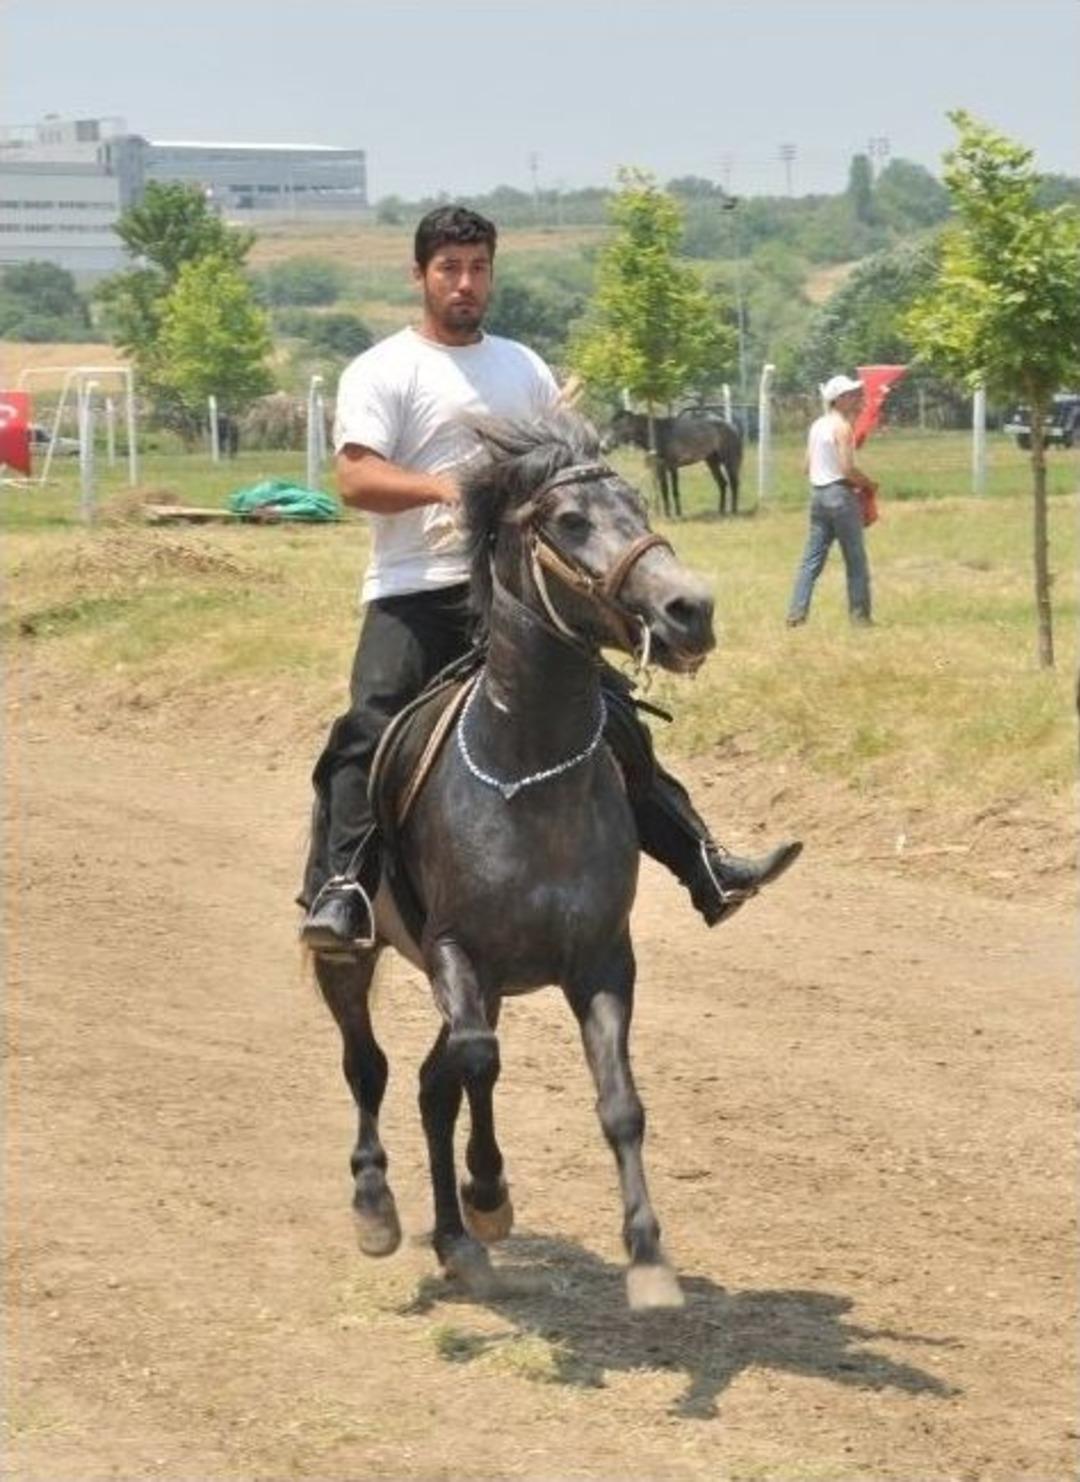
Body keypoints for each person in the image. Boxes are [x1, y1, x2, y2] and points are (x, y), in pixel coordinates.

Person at [300, 205, 801, 954]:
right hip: (416, 589)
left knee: (613, 712)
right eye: (449, 270)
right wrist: (445, 489)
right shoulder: (382, 369)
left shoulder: (521, 366)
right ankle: (341, 891)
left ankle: (702, 863)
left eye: (478, 269)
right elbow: (354, 476)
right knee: (370, 725)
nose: (465, 284)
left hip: (519, 596)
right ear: (420, 276)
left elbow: (564, 475)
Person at [786, 374, 876, 627]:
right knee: (856, 561)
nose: (858, 398)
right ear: (838, 400)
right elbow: (848, 469)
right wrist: (868, 484)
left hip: (818, 496)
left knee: (811, 561)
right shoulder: (843, 428)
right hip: (841, 496)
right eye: (852, 394)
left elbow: (806, 466)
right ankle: (860, 619)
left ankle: (796, 612)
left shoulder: (817, 426)